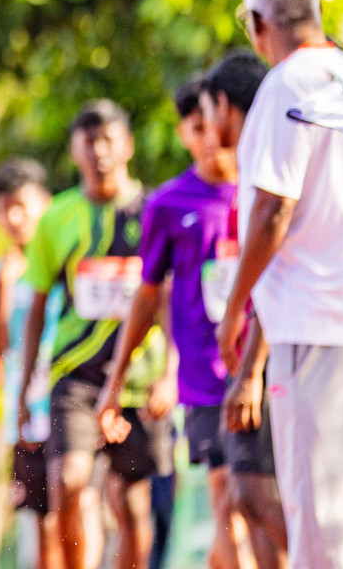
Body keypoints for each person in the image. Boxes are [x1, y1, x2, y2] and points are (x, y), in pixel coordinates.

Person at [216, 0, 343, 569]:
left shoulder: (287, 82)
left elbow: (272, 210)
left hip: (316, 327)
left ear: (258, 23)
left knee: (321, 526)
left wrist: (235, 308)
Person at [96, 72, 262, 569]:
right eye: (195, 127)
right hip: (207, 381)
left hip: (270, 367)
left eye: (211, 123)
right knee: (228, 500)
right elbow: (148, 298)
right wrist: (117, 379)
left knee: (257, 508)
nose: (209, 138)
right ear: (184, 132)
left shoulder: (267, 191)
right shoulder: (167, 204)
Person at [20, 100, 173, 569]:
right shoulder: (56, 218)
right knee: (68, 481)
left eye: (108, 139)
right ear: (74, 149)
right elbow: (38, 306)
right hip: (75, 376)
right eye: (89, 141)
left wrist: (171, 373)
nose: (99, 151)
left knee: (130, 504)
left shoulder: (154, 212)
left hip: (141, 380)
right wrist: (28, 383)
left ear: (126, 146)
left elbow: (167, 302)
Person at [201, 50, 289, 569]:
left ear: (223, 105)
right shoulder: (257, 160)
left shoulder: (265, 169)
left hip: (279, 351)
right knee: (243, 494)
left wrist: (252, 366)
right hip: (265, 351)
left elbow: (279, 278)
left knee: (253, 493)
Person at [0, 159, 62, 569]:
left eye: (21, 206)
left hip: (70, 404)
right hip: (25, 416)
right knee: (39, 522)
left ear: (44, 204)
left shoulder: (68, 261)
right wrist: (6, 290)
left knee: (76, 509)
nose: (13, 218)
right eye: (3, 208)